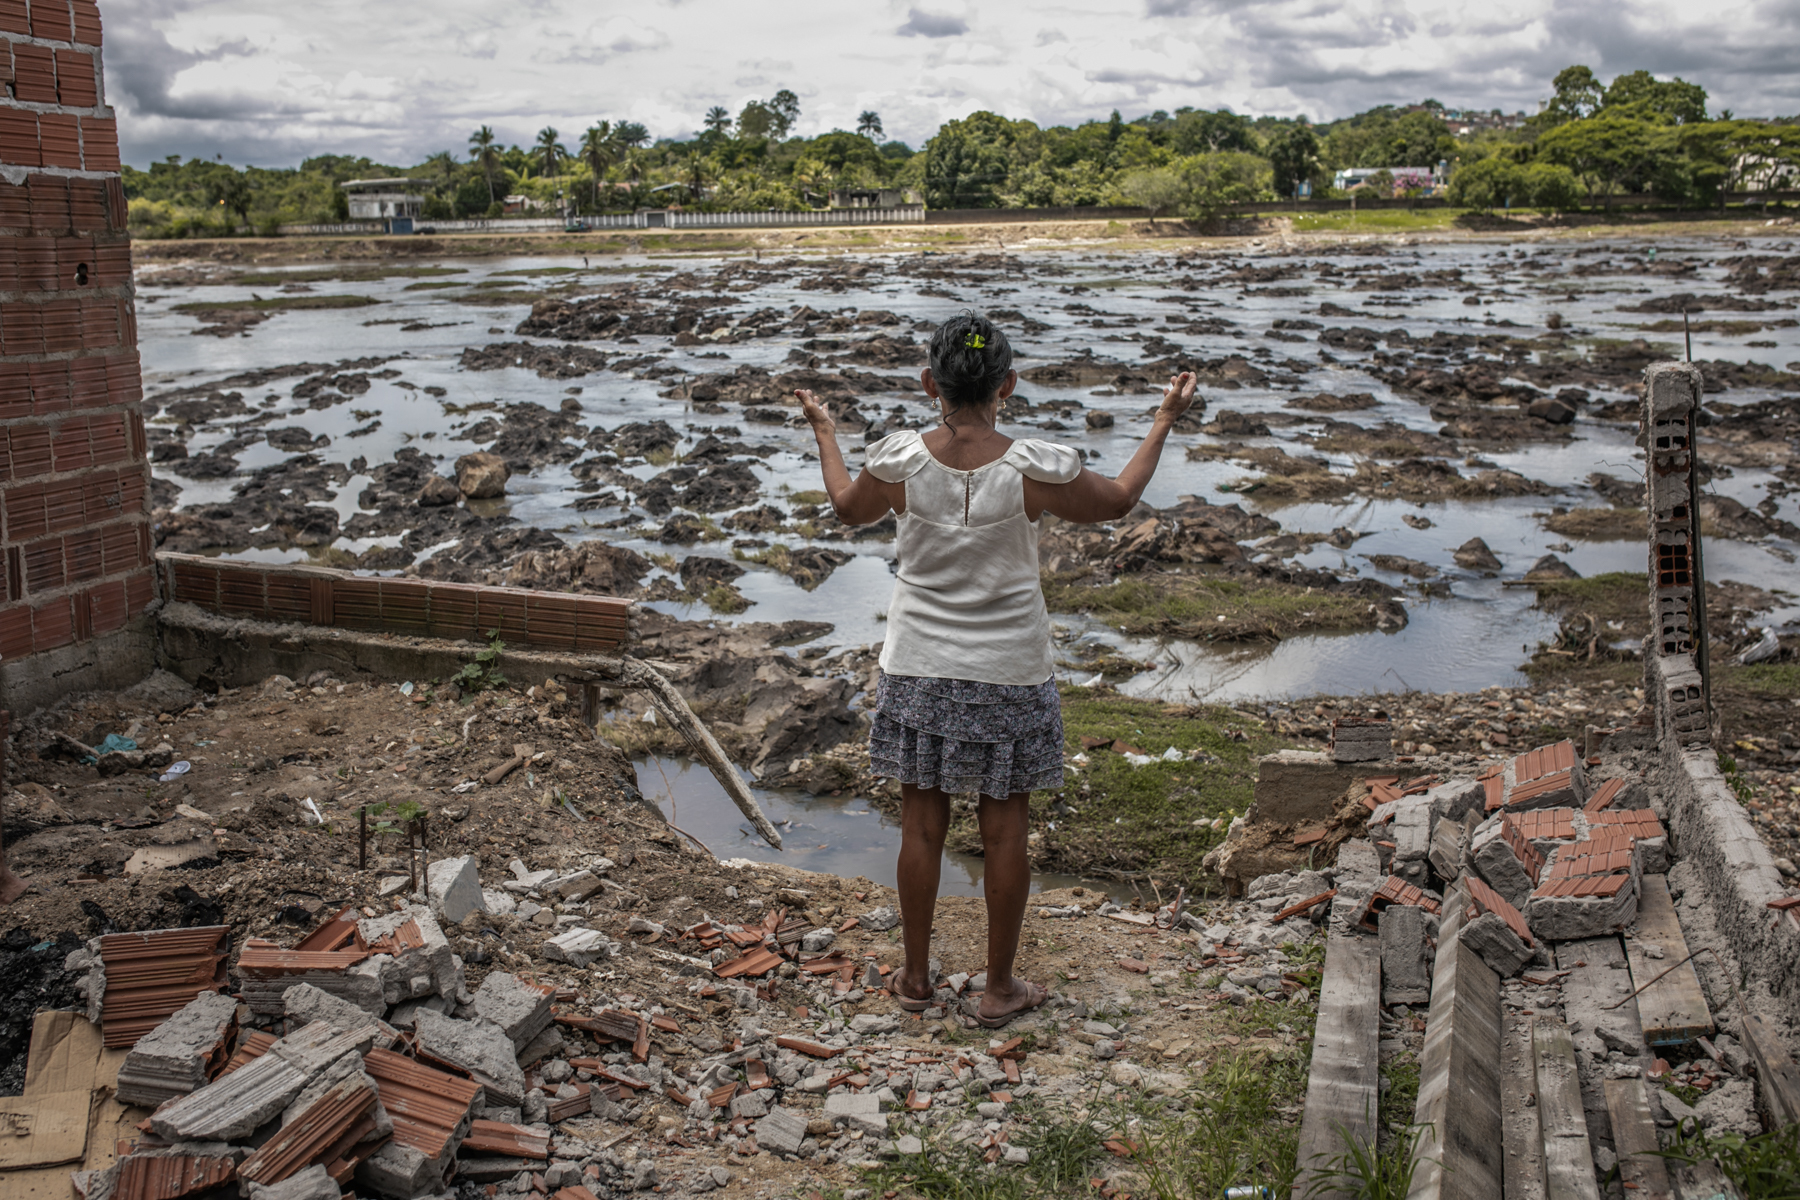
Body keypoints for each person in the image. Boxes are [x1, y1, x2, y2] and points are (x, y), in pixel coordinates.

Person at [797, 311, 1197, 1027]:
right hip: (1011, 670)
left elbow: (845, 509)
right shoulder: (1033, 469)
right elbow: (1119, 501)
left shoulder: (898, 461)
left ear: (930, 385)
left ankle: (916, 981)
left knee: (921, 826)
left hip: (919, 665)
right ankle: (998, 988)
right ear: (1007, 384)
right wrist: (1163, 418)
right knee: (1005, 831)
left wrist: (825, 432)